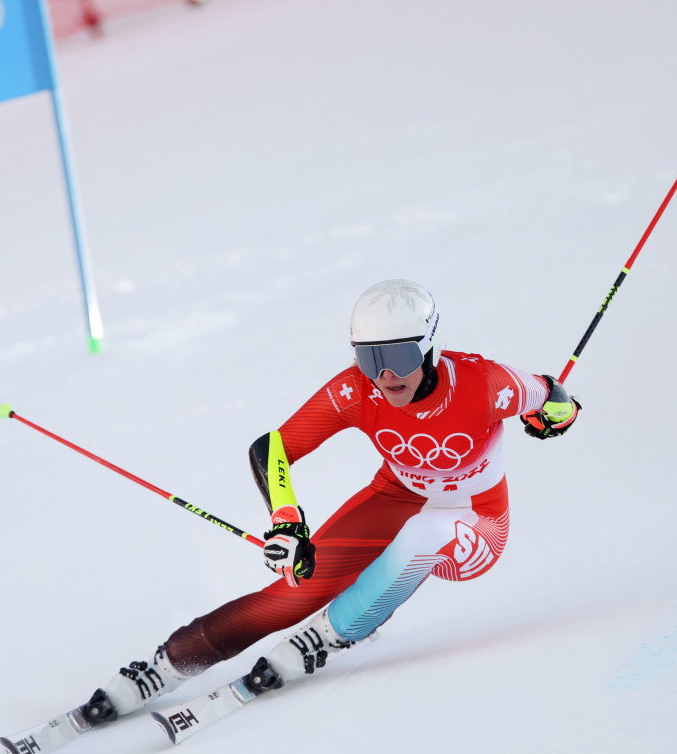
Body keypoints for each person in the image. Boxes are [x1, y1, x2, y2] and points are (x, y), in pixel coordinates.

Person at [79, 278, 580, 725]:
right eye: (370, 359)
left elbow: (553, 395)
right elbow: (272, 447)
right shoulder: (357, 390)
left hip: (475, 521)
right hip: (397, 495)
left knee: (424, 535)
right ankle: (166, 664)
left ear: (431, 348)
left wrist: (557, 415)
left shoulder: (485, 383)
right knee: (295, 589)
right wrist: (287, 523)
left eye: (400, 358)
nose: (385, 376)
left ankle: (333, 633)